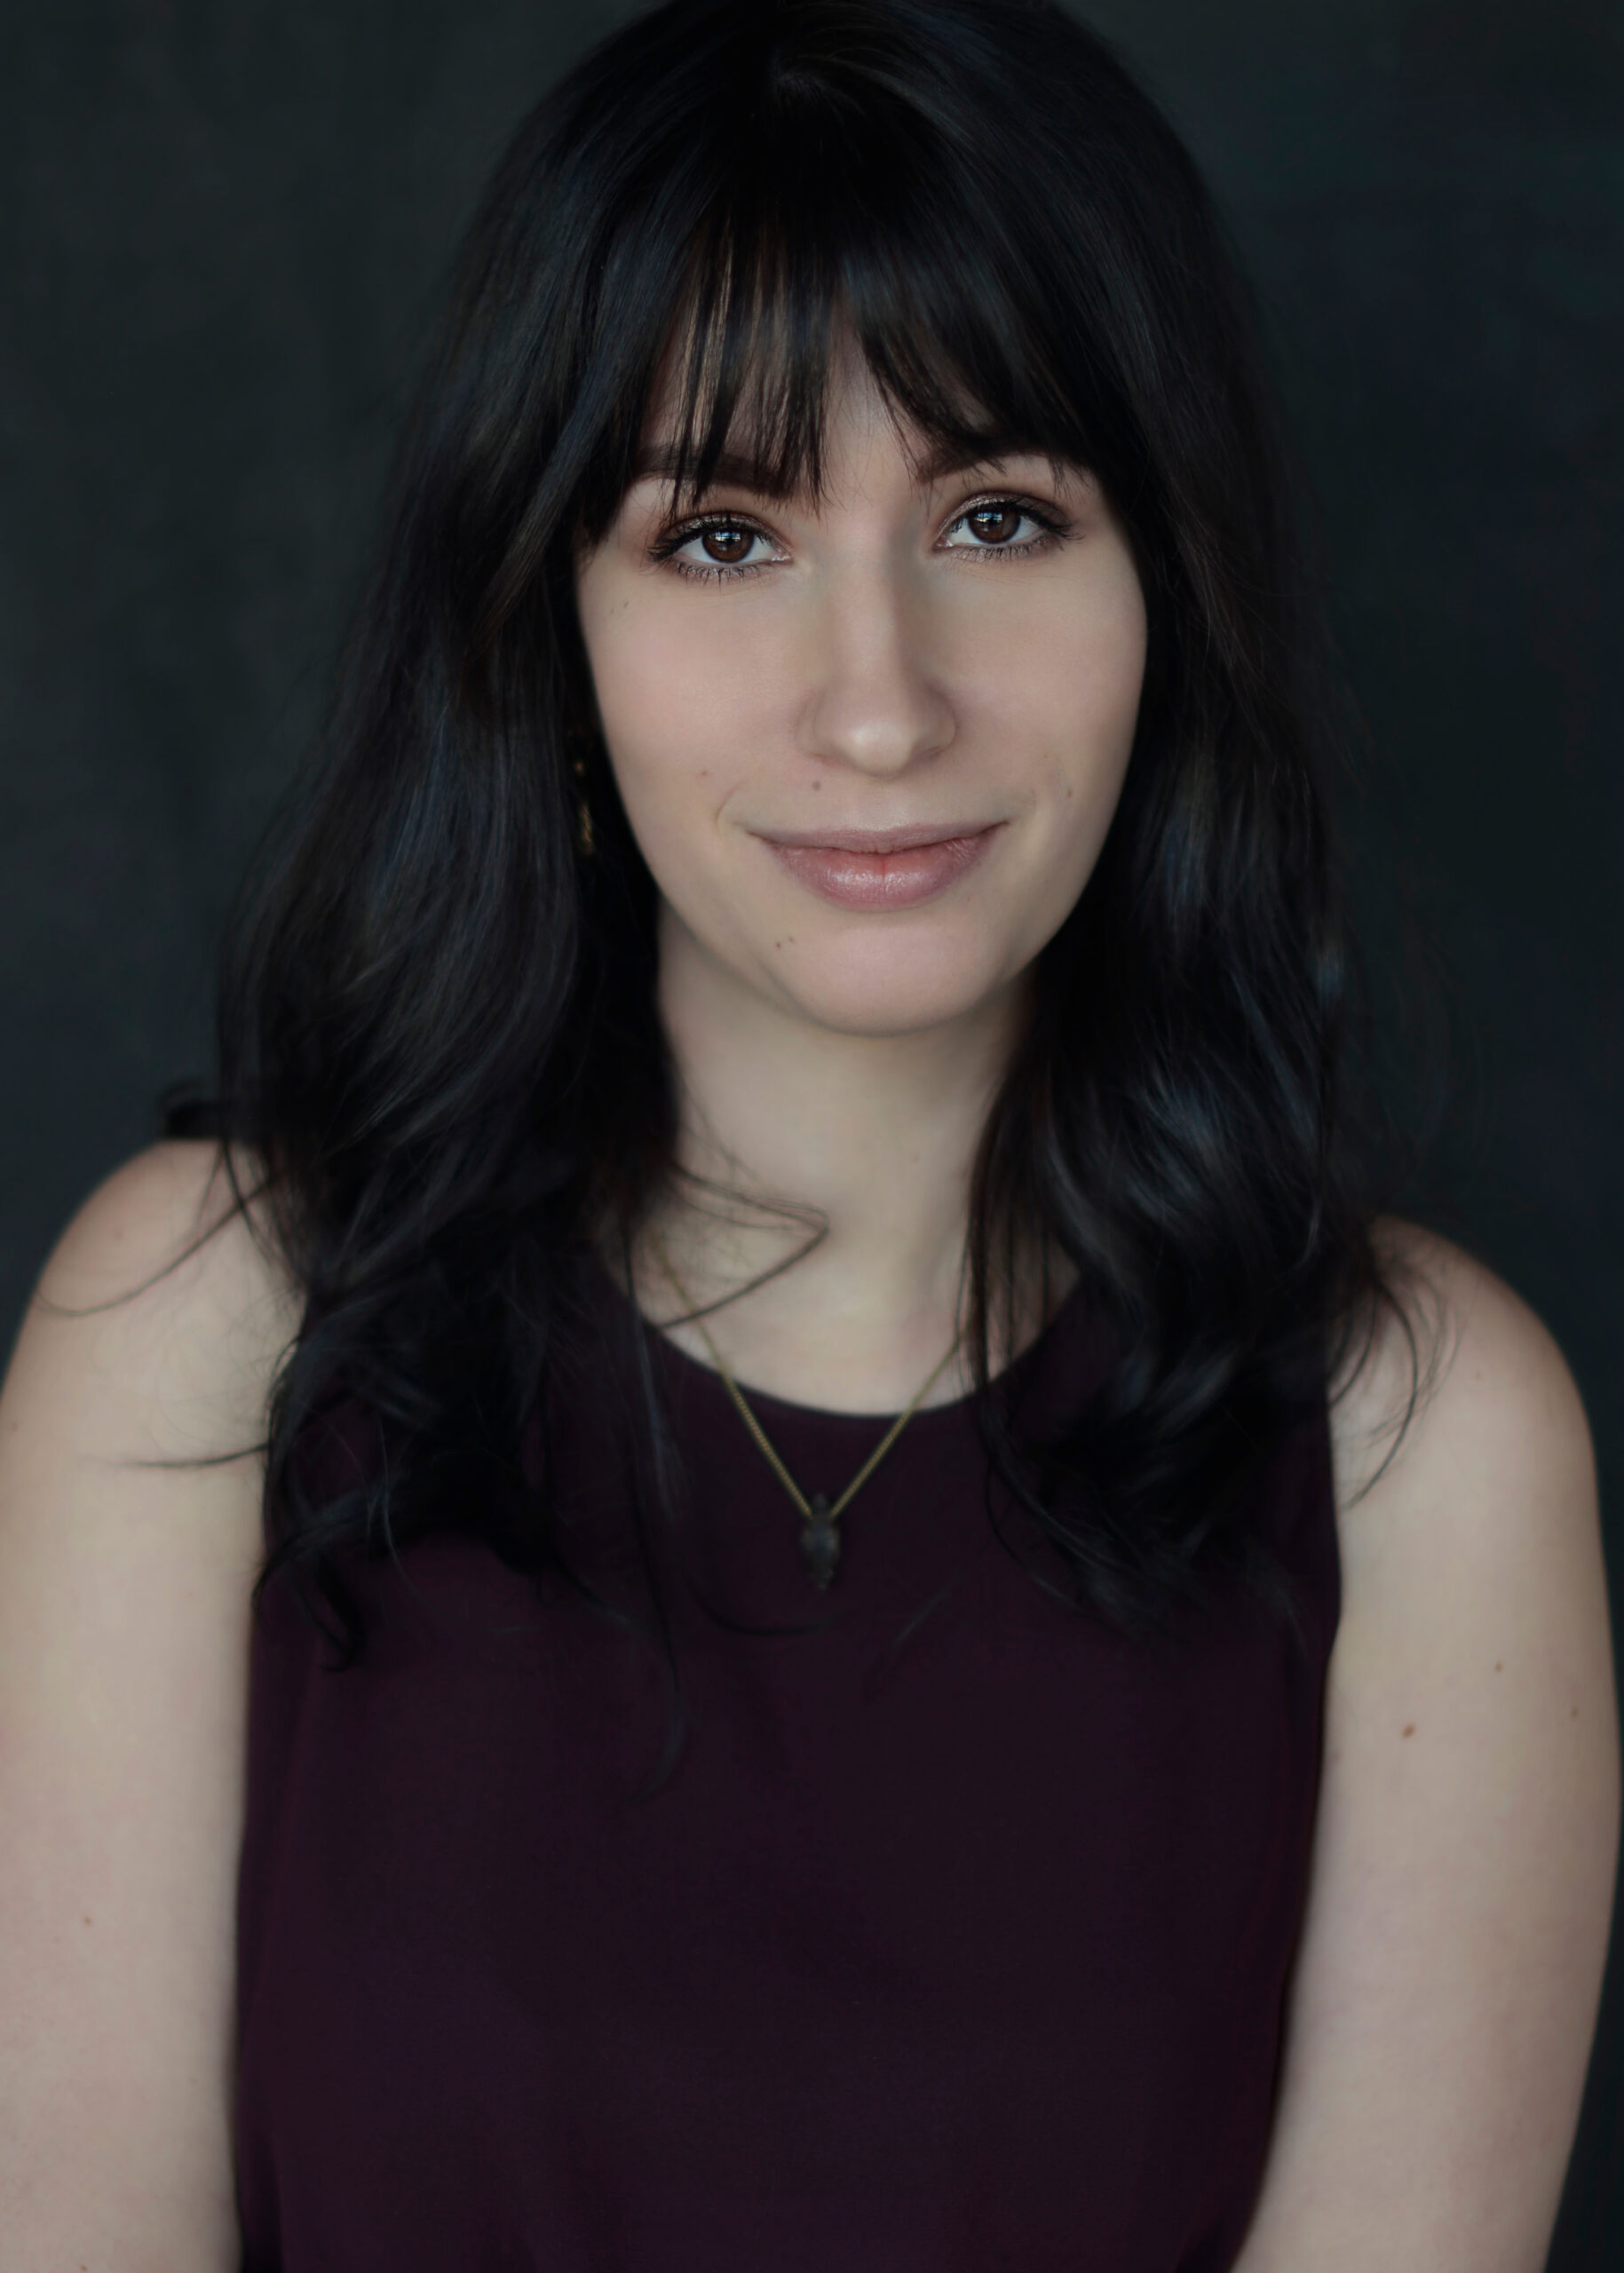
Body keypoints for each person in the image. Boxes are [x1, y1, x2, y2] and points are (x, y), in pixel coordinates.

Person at [0, 0, 1614, 2264]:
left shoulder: (1417, 1434)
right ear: (546, 622)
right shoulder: (201, 1322)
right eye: (725, 535)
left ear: (1172, 584)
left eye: (998, 512)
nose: (880, 697)